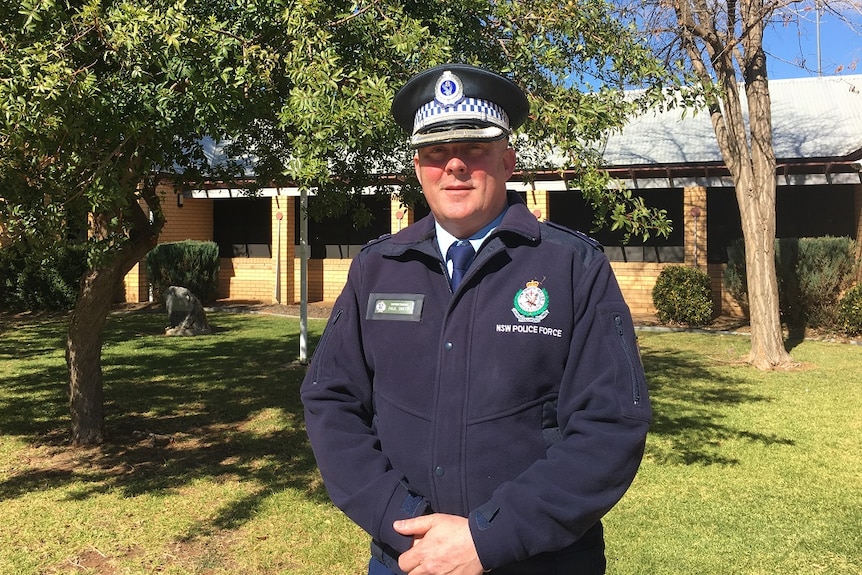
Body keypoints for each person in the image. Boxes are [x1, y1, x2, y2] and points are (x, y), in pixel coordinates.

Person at [300, 63, 651, 575]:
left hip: (539, 561)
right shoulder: (377, 268)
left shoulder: (571, 266)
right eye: (436, 153)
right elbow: (330, 401)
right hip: (407, 557)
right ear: (417, 169)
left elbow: (612, 425)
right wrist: (404, 522)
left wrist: (487, 538)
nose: (454, 166)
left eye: (474, 149)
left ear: (508, 160)